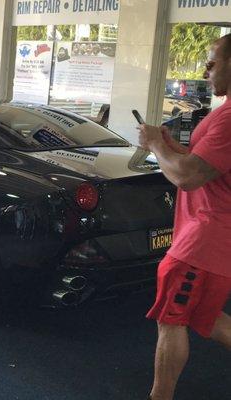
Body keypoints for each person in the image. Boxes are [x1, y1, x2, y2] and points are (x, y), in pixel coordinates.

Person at [138, 33, 231, 400]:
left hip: (204, 240)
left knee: (170, 319)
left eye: (213, 61)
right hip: (214, 239)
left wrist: (158, 145)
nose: (206, 70)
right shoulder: (223, 114)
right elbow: (205, 166)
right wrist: (168, 145)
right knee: (205, 319)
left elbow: (188, 176)